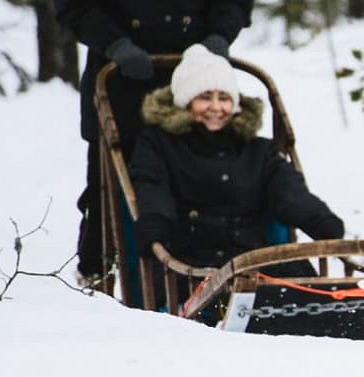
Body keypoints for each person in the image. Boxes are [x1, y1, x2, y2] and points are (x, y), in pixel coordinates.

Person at [55, 0, 255, 283]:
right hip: (122, 84)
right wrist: (114, 43)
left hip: (196, 77)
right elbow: (76, 7)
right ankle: (97, 280)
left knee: (208, 186)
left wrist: (220, 34)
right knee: (111, 194)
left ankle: (209, 277)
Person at [130, 45, 344, 275]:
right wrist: (155, 225)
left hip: (252, 259)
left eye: (224, 98)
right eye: (204, 97)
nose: (216, 107)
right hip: (191, 265)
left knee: (314, 292)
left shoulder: (257, 150)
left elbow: (289, 193)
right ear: (185, 102)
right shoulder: (159, 145)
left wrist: (320, 221)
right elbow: (152, 188)